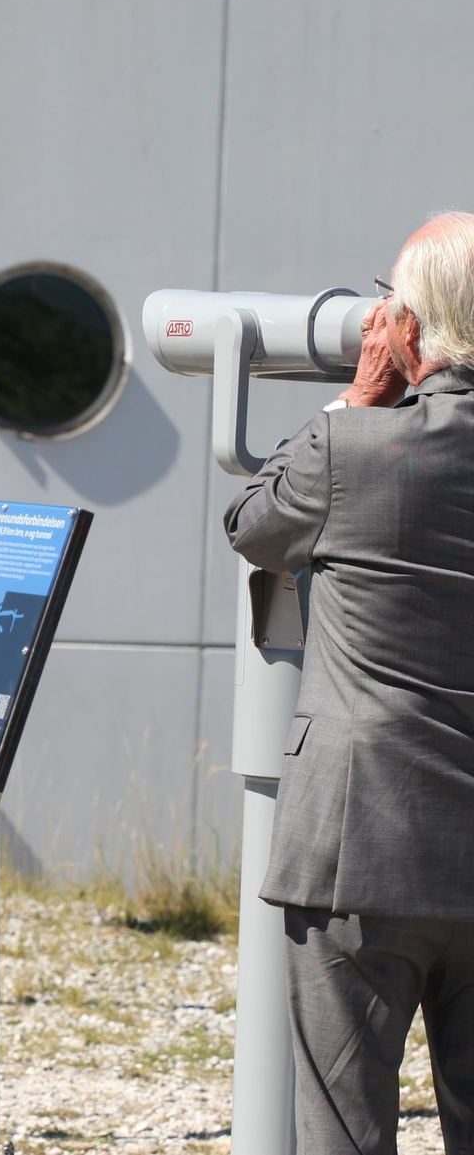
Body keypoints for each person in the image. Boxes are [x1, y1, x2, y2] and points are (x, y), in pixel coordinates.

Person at [225, 211, 474, 1153]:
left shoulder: (351, 456)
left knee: (343, 1125)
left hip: (358, 853)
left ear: (407, 328)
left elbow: (253, 522)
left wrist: (357, 399)